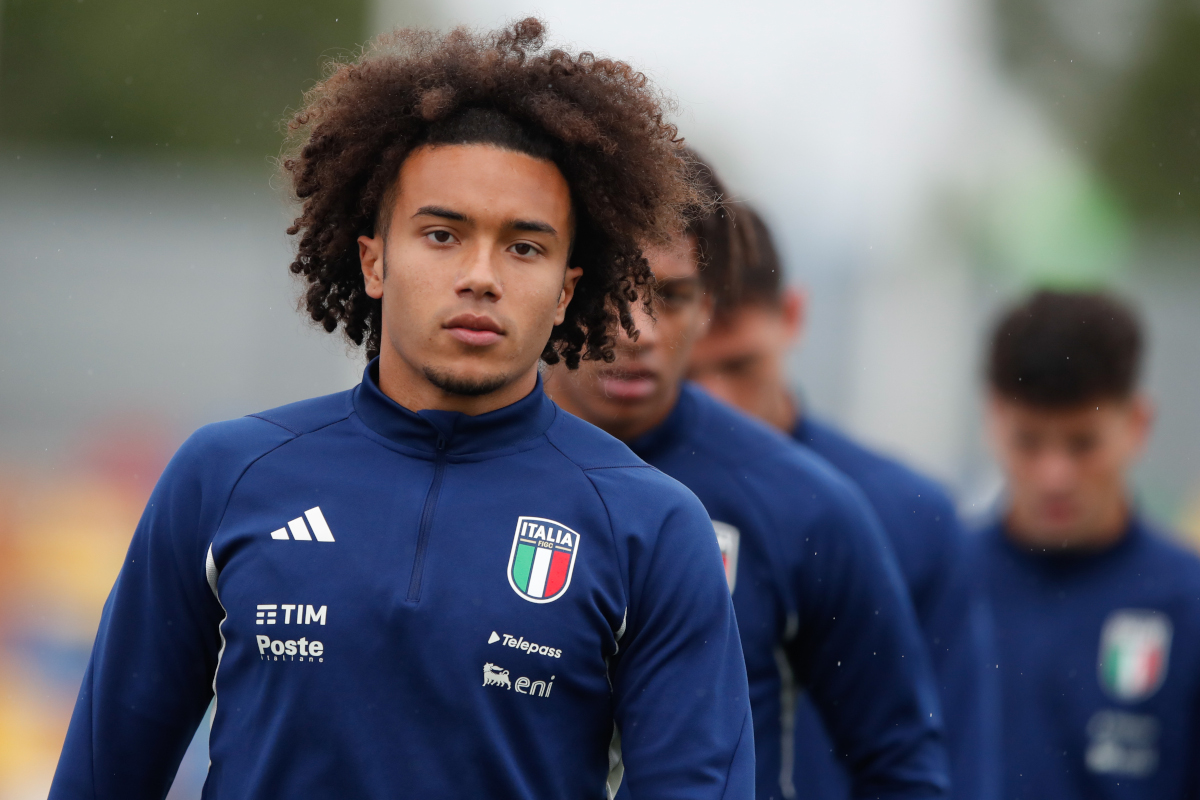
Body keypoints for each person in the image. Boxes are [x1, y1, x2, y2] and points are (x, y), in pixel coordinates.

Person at [49, 20, 754, 800]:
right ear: (374, 259)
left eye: (524, 247)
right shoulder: (224, 477)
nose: (481, 276)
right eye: (443, 234)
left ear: (565, 288)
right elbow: (99, 777)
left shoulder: (651, 527)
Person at [544, 162, 948, 800]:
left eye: (670, 297)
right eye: (609, 289)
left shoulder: (804, 504)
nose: (638, 330)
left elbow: (900, 765)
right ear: (558, 285)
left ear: (709, 304)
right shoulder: (454, 461)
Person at [687, 206, 998, 800]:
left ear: (794, 317)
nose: (717, 399)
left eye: (739, 365)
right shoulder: (626, 490)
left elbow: (948, 760)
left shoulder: (910, 516)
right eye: (694, 374)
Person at [977, 290, 1200, 799]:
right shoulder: (937, 586)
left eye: (1083, 443)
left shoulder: (1189, 604)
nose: (1055, 475)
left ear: (1137, 424)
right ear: (993, 421)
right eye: (1029, 441)